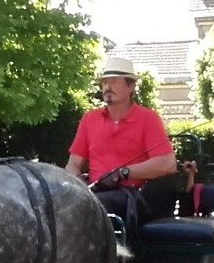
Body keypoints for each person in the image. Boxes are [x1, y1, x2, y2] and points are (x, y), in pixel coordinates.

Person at [65, 57, 177, 228]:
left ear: (130, 86)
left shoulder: (148, 118)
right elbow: (73, 163)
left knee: (94, 206)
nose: (108, 87)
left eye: (114, 82)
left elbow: (167, 164)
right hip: (95, 191)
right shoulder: (90, 119)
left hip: (133, 195)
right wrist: (76, 184)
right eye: (104, 83)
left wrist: (123, 172)